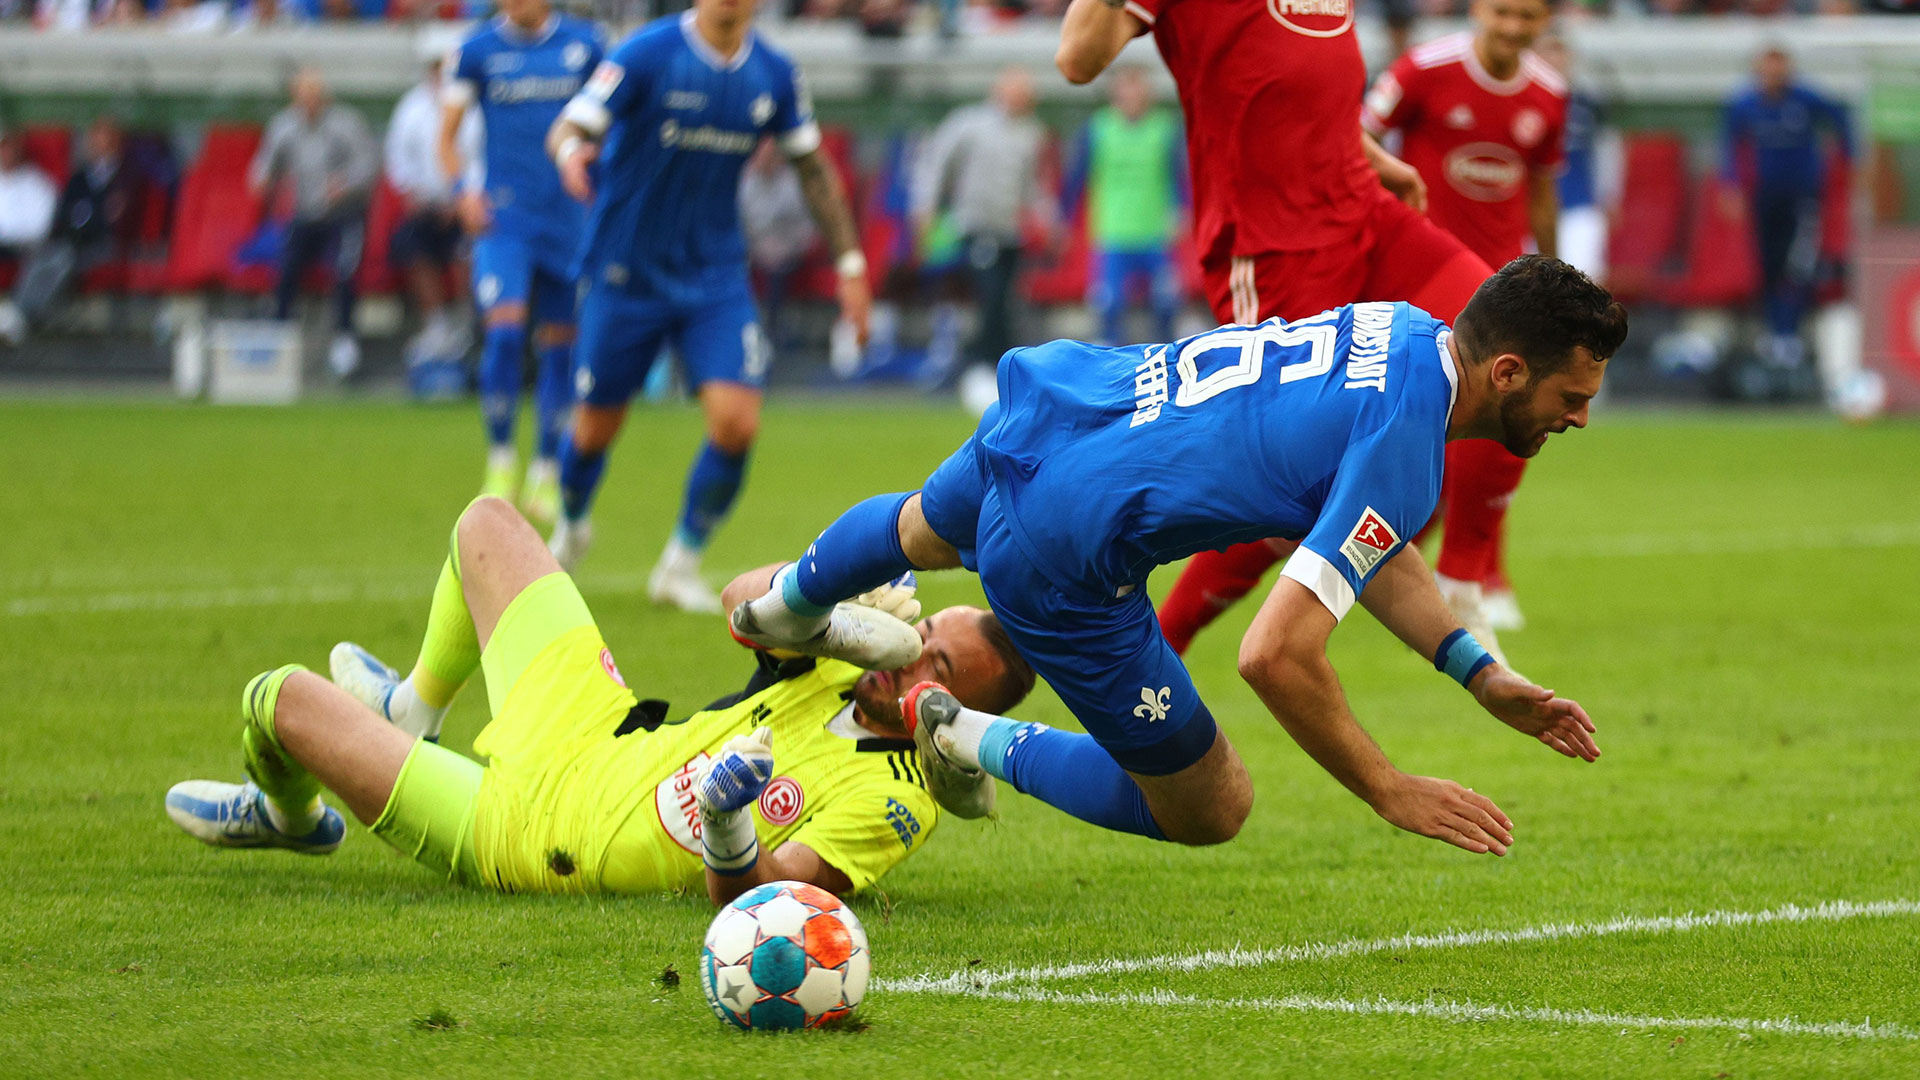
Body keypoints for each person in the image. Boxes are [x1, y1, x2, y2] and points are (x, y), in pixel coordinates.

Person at [733, 257, 1619, 855]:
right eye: (1570, 396)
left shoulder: (1404, 330)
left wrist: (1475, 669)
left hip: (1061, 401)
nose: (1578, 419)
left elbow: (1373, 543)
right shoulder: (1406, 447)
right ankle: (961, 733)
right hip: (1066, 547)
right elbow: (1274, 655)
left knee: (921, 530)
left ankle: (786, 606)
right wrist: (1388, 788)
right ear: (1506, 371)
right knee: (1210, 807)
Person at [164, 497, 1036, 903]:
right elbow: (742, 603)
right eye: (926, 640)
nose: (914, 660)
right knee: (487, 526)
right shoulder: (850, 663)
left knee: (275, 698)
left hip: (531, 832)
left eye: (941, 671)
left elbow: (768, 894)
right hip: (592, 726)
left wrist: (732, 829)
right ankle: (411, 717)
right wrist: (829, 611)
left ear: (961, 724)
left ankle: (287, 816)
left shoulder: (893, 801)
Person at [1051, 0, 1502, 658]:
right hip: (1273, 244)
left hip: (1359, 204)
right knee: (1282, 483)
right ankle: (1154, 647)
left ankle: (1464, 579)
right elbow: (1077, 58)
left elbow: (1297, 81)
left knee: (1496, 341)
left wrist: (1368, 153)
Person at [543, 0, 871, 613]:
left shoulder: (773, 72)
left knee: (737, 422)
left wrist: (851, 265)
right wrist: (569, 154)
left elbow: (813, 168)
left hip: (713, 275)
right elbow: (570, 125)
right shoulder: (646, 52)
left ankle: (680, 563)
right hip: (625, 270)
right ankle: (571, 525)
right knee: (593, 429)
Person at [1362, 0, 1565, 653]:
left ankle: (1471, 577)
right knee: (1418, 426)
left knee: (1507, 419)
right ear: (1479, 9)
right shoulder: (1423, 70)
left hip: (1501, 284)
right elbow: (1353, 139)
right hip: (1420, 278)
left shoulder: (1549, 95)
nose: (1512, 26)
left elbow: (1540, 189)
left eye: (1528, 17)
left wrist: (1552, 270)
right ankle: (1404, 565)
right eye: (1503, 11)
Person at [441, 0, 604, 523]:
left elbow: (610, 124)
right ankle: (500, 460)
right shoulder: (476, 50)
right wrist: (461, 190)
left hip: (568, 219)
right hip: (504, 219)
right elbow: (447, 137)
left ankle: (547, 472)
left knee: (562, 347)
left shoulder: (585, 45)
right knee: (506, 331)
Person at [912, 66, 1061, 395]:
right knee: (991, 298)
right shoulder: (969, 124)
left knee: (1006, 302)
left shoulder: (1031, 133)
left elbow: (1034, 187)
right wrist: (925, 210)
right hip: (976, 227)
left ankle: (1000, 371)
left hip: (1010, 233)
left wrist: (1049, 222)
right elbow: (937, 166)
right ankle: (980, 366)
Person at [1721, 46, 1853, 373]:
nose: (1773, 77)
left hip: (1803, 198)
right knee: (1767, 264)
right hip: (1765, 197)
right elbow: (1730, 144)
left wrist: (1850, 159)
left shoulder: (1806, 99)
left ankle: (1789, 335)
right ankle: (1772, 333)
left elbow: (1843, 122)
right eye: (1767, 70)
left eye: (1778, 70)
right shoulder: (1745, 103)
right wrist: (1731, 185)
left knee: (1798, 266)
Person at [249, 68, 378, 380]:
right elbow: (264, 165)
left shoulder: (347, 123)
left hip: (344, 213)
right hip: (305, 213)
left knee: (345, 269)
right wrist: (263, 179)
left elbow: (370, 165)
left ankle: (345, 340)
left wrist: (345, 183)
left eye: (314, 97)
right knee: (286, 265)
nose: (308, 104)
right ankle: (279, 338)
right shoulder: (284, 126)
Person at [1062, 65, 1185, 346]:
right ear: (1114, 95)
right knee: (1110, 305)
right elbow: (1075, 179)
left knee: (1166, 303)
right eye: (1124, 91)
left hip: (1156, 233)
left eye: (1136, 90)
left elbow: (1178, 176)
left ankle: (1166, 361)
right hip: (1113, 233)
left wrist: (1183, 211)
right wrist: (1065, 221)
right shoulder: (1098, 128)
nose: (1130, 97)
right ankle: (1110, 366)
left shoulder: (1164, 129)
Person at [384, 56, 472, 368]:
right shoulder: (411, 108)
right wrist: (414, 193)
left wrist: (462, 198)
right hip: (425, 204)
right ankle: (437, 325)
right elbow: (397, 158)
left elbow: (481, 157)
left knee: (467, 254)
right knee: (413, 248)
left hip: (465, 206)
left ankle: (466, 323)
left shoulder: (471, 108)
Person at [738, 138, 818, 359]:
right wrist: (757, 247)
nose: (768, 160)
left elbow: (807, 227)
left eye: (773, 155)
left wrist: (786, 247)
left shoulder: (792, 183)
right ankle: (747, 329)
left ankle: (775, 333)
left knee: (778, 270)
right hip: (752, 251)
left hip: (788, 253)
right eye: (763, 154)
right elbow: (739, 225)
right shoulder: (745, 181)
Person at [0, 126, 69, 346]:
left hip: (27, 247)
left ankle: (16, 316)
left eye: (9, 147)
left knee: (59, 256)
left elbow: (40, 228)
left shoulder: (38, 184)